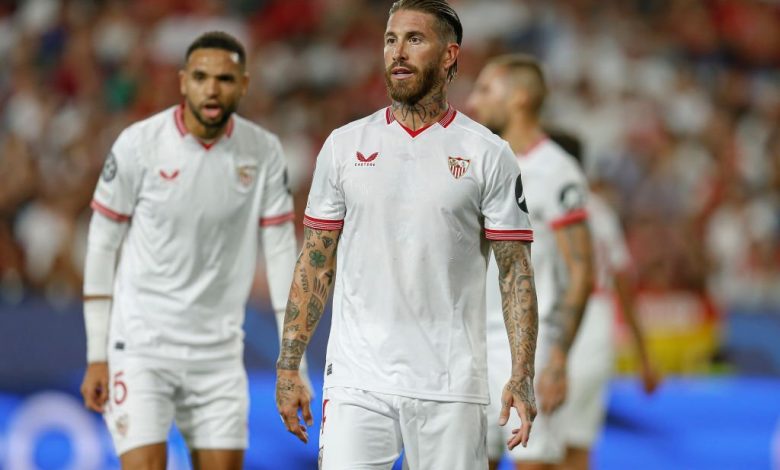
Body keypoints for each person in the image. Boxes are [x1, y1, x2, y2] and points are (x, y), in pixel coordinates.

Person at [274, 2, 539, 469]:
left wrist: (522, 373)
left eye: (415, 39)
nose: (398, 52)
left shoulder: (488, 154)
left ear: (449, 55)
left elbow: (514, 272)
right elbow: (315, 260)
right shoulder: (344, 147)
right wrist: (289, 363)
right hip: (357, 380)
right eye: (390, 39)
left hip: (450, 384)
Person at [79, 31, 310, 470]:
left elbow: (282, 256)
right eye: (201, 77)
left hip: (218, 354)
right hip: (142, 346)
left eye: (225, 79)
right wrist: (96, 354)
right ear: (183, 81)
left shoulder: (263, 152)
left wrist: (291, 360)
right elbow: (102, 244)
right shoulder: (138, 145)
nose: (212, 89)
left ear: (243, 84)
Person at [467, 54, 595, 470]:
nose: (473, 101)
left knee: (534, 463)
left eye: (486, 90)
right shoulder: (477, 164)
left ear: (519, 97)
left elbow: (581, 270)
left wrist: (558, 356)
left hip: (529, 349)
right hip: (470, 344)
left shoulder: (557, 171)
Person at [547, 129, 661, 470]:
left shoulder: (542, 207)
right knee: (578, 445)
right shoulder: (601, 212)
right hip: (597, 328)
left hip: (559, 323)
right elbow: (623, 283)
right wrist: (644, 355)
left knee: (544, 446)